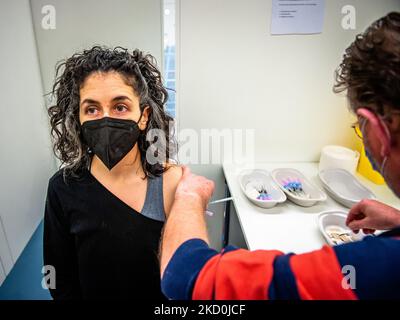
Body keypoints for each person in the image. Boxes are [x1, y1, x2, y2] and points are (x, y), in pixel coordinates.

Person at [159, 12, 400, 300]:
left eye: (358, 128)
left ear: (377, 130)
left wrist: (189, 197)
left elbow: (185, 277)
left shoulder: (375, 268)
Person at [43, 46, 181, 299]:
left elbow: (186, 276)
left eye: (120, 107)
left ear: (143, 116)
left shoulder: (171, 182)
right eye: (92, 109)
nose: (105, 119)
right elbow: (59, 278)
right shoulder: (62, 188)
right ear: (79, 118)